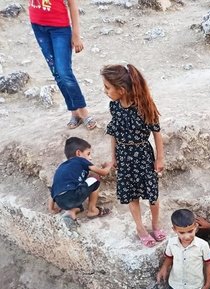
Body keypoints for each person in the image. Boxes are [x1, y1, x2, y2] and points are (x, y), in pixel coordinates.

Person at [101, 64, 165, 248]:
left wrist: (160, 158)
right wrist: (114, 157)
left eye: (107, 87)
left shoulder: (144, 106)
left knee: (152, 195)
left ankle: (155, 225)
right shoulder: (114, 106)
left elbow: (157, 133)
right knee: (131, 195)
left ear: (121, 90)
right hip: (124, 156)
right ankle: (140, 228)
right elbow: (114, 133)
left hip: (143, 155)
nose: (105, 91)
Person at [29, 0, 96, 129]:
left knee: (64, 72)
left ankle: (83, 111)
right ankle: (74, 111)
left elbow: (72, 4)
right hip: (37, 25)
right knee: (56, 73)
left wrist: (76, 35)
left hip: (59, 28)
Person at [48, 137, 112, 230]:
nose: (90, 157)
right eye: (88, 154)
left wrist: (52, 209)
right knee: (95, 177)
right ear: (78, 153)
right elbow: (103, 172)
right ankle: (92, 210)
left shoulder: (61, 167)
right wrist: (108, 166)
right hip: (73, 195)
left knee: (79, 206)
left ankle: (71, 212)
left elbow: (53, 190)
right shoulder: (80, 160)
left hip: (60, 201)